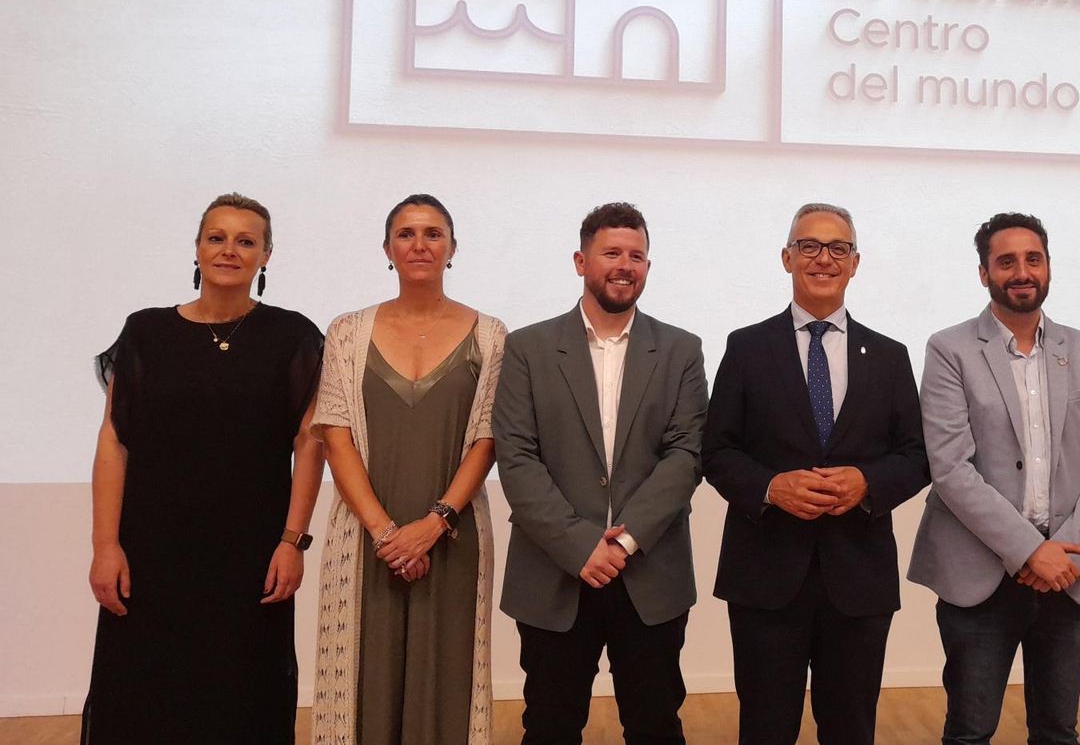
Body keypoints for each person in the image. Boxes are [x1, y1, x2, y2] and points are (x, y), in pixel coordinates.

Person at [84, 192, 324, 744]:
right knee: (144, 696)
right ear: (196, 248)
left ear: (266, 255)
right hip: (151, 554)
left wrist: (293, 541)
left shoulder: (293, 337)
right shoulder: (145, 332)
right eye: (217, 238)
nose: (229, 251)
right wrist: (104, 546)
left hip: (251, 558)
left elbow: (309, 445)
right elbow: (113, 443)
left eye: (246, 241)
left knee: (242, 698)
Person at [703, 203, 929, 745]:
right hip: (765, 577)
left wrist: (868, 483)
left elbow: (918, 454)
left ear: (855, 263)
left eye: (837, 248)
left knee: (851, 729)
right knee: (764, 728)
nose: (823, 259)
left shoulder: (891, 356)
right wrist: (770, 487)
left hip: (858, 580)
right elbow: (715, 450)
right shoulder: (746, 347)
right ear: (786, 257)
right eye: (809, 246)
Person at [909, 211, 1080, 745]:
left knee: (1058, 731)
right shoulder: (950, 349)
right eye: (1006, 262)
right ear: (984, 273)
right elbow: (950, 468)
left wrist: (1068, 556)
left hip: (1069, 576)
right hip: (980, 574)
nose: (1022, 271)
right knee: (970, 731)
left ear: (1049, 267)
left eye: (1033, 259)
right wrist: (1032, 552)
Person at [492, 203, 708, 745]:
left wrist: (626, 539)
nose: (624, 265)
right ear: (580, 261)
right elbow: (516, 456)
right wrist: (581, 545)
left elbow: (686, 454)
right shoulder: (527, 347)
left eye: (637, 256)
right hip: (554, 574)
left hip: (650, 574)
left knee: (656, 725)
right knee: (550, 725)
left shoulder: (681, 349)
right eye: (611, 253)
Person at [311, 195, 506, 745]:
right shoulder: (346, 332)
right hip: (365, 537)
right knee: (363, 678)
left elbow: (487, 439)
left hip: (453, 536)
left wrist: (434, 524)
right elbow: (334, 433)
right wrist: (387, 534)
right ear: (387, 249)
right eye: (406, 233)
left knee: (446, 676)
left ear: (452, 248)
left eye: (433, 233)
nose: (419, 244)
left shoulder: (490, 335)